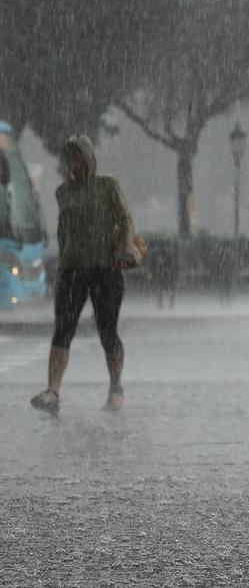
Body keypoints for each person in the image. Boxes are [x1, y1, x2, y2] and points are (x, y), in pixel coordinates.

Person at [30, 135, 134, 414]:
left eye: (78, 157)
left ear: (89, 158)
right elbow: (64, 231)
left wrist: (123, 252)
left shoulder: (107, 186)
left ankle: (116, 386)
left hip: (106, 269)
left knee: (107, 331)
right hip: (72, 271)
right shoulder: (62, 192)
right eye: (69, 158)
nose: (73, 163)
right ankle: (53, 391)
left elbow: (125, 219)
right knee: (62, 331)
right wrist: (63, 264)